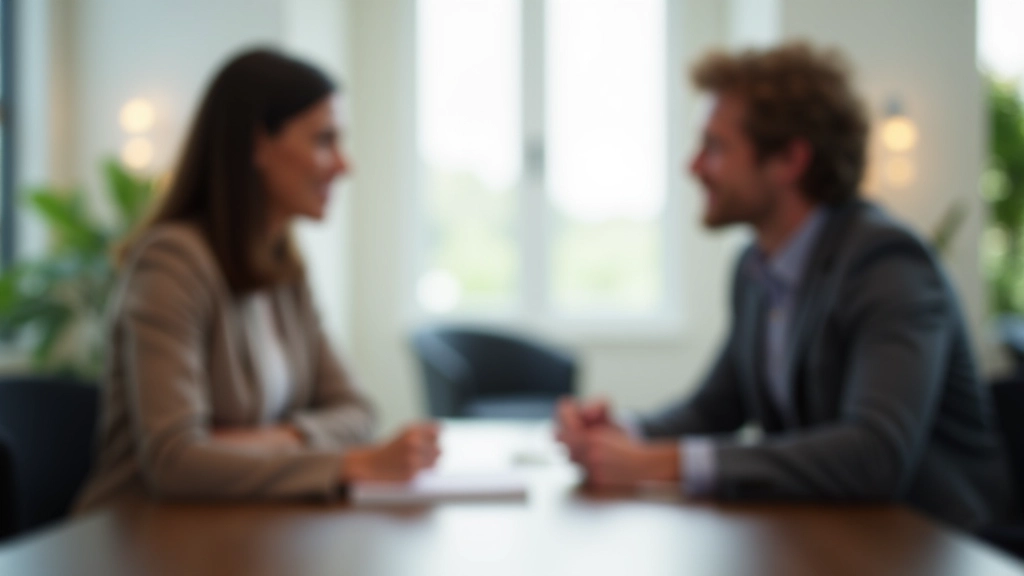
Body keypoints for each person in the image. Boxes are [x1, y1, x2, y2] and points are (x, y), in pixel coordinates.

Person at [556, 42, 1015, 530]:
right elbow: (715, 407)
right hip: (834, 534)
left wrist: (664, 463)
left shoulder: (886, 262)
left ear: (790, 159)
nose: (693, 167)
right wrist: (623, 432)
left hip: (937, 543)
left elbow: (875, 451)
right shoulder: (756, 269)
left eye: (714, 147)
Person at [75, 49, 439, 512]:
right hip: (137, 538)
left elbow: (358, 412)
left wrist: (266, 439)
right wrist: (349, 464)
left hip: (237, 528)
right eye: (324, 140)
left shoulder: (283, 267)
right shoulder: (171, 263)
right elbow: (174, 462)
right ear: (257, 145)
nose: (344, 165)